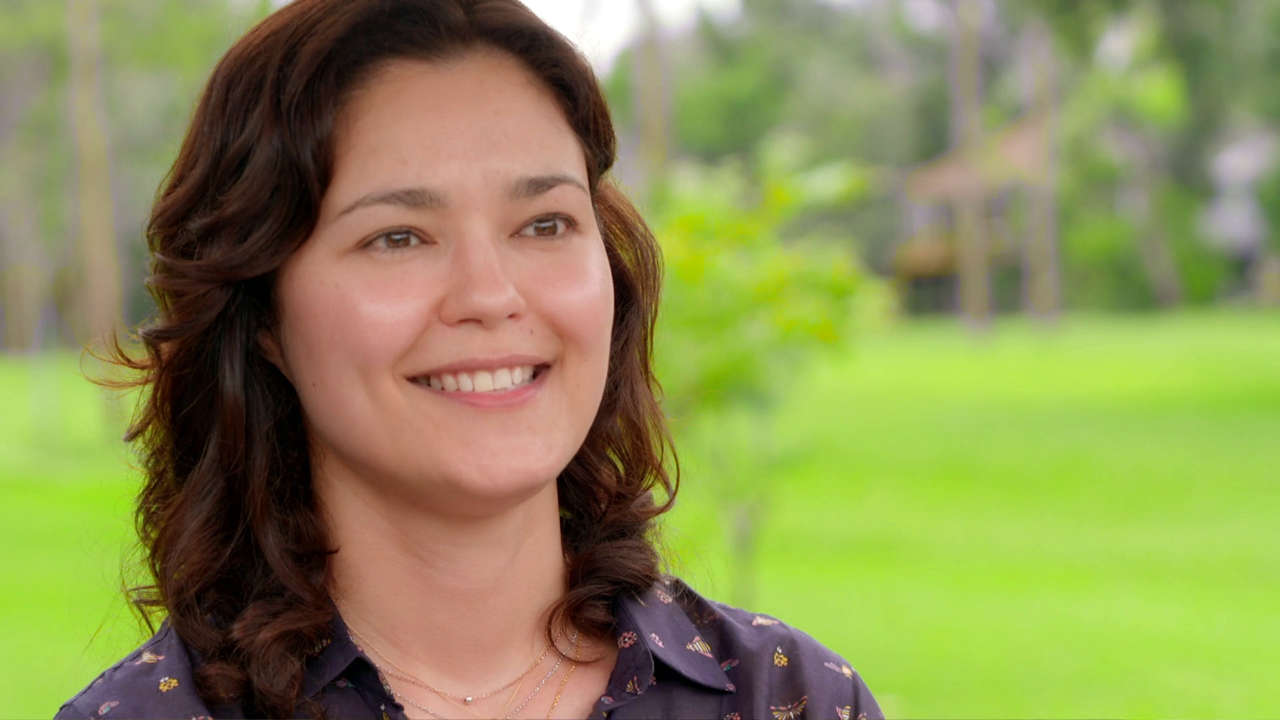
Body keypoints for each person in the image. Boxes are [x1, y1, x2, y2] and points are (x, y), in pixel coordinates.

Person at [55, 1, 882, 718]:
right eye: (398, 237)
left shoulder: (791, 699)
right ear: (261, 313)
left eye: (545, 224)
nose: (490, 295)